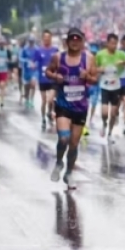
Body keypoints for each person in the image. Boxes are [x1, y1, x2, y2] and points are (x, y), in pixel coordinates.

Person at [46, 28, 98, 189]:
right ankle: (58, 162)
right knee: (63, 138)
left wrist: (87, 77)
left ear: (82, 42)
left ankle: (69, 173)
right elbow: (48, 71)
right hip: (63, 105)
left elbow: (96, 79)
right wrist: (55, 76)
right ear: (67, 42)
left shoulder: (89, 58)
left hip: (80, 107)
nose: (75, 42)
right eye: (72, 39)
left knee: (74, 144)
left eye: (78, 40)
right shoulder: (58, 57)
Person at [95, 33, 125, 142]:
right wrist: (100, 69)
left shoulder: (120, 54)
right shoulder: (100, 54)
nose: (114, 46)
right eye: (111, 43)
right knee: (105, 112)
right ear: (107, 43)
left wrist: (123, 62)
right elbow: (93, 68)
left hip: (116, 87)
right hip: (105, 86)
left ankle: (110, 133)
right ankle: (104, 124)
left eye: (115, 43)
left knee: (113, 113)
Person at [34, 30, 60, 129]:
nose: (47, 39)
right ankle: (43, 119)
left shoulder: (55, 50)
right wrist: (33, 66)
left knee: (50, 99)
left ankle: (50, 112)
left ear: (51, 38)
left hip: (52, 79)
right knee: (44, 101)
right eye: (45, 37)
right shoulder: (38, 51)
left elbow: (59, 63)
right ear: (42, 38)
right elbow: (34, 62)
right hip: (42, 79)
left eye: (48, 37)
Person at [19, 36, 38, 109]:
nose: (31, 43)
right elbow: (20, 58)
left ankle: (32, 100)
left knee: (33, 85)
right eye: (30, 41)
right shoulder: (24, 49)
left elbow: (39, 59)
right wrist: (27, 61)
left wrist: (35, 64)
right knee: (27, 87)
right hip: (26, 71)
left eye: (32, 41)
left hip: (34, 71)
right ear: (28, 41)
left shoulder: (37, 49)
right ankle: (27, 99)